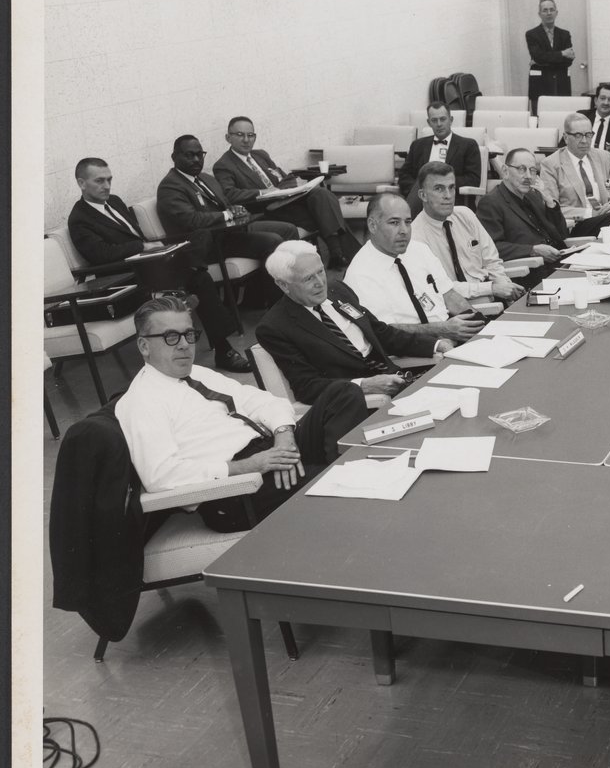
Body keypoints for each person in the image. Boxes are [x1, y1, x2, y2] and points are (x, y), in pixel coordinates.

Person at [115, 296, 369, 531]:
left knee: (344, 393)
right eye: (171, 337)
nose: (184, 345)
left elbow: (263, 401)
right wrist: (251, 466)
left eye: (189, 334)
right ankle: (345, 481)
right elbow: (161, 476)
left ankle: (341, 474)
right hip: (234, 491)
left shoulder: (199, 374)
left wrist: (284, 439)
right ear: (144, 346)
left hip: (270, 451)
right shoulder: (142, 402)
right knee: (341, 480)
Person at [68, 158, 251, 373]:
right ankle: (221, 347)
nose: (107, 186)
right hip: (127, 277)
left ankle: (187, 280)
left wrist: (157, 249)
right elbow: (101, 255)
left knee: (200, 240)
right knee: (198, 277)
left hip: (152, 265)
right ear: (81, 183)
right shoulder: (79, 218)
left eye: (109, 180)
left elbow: (137, 236)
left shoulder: (115, 202)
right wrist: (141, 247)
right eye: (99, 181)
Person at [256, 240, 440, 406]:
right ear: (283, 285)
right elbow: (307, 387)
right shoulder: (275, 327)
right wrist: (365, 385)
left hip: (400, 381)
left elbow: (381, 333)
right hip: (357, 404)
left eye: (320, 272)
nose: (320, 283)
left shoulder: (338, 291)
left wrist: (436, 345)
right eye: (308, 278)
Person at [156, 135, 297, 303]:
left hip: (230, 233)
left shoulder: (206, 178)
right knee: (272, 241)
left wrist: (235, 209)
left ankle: (269, 295)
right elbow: (191, 220)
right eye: (189, 155)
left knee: (287, 229)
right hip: (206, 245)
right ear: (174, 157)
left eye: (199, 154)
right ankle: (276, 303)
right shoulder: (170, 186)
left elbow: (226, 204)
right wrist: (227, 214)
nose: (196, 160)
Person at [212, 116, 361, 269]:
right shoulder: (223, 165)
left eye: (250, 135)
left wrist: (287, 189)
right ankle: (347, 256)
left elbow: (284, 177)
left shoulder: (260, 155)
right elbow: (230, 195)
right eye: (239, 135)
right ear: (228, 138)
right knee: (322, 212)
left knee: (321, 194)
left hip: (286, 201)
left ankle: (339, 255)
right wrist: (263, 192)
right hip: (266, 210)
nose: (246, 140)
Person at [343, 192, 486, 344]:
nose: (404, 230)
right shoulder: (361, 274)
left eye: (408, 222)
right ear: (372, 225)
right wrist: (442, 330)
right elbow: (384, 331)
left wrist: (479, 323)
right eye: (394, 223)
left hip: (452, 335)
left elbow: (449, 295)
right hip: (415, 350)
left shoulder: (419, 249)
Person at [409, 161, 525, 305]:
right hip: (462, 308)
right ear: (423, 195)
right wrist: (491, 288)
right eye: (439, 189)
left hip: (495, 297)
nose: (448, 195)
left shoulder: (466, 215)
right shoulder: (415, 237)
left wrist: (505, 286)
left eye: (451, 188)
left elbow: (492, 261)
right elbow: (441, 288)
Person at [477, 148, 571, 270]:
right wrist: (533, 250)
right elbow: (491, 248)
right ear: (505, 171)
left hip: (560, 263)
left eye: (532, 170)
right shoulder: (491, 202)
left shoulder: (534, 196)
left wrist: (550, 203)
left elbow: (561, 234)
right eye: (521, 169)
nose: (528, 176)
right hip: (531, 270)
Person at [537, 113, 610, 235]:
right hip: (576, 224)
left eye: (588, 135)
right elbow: (552, 208)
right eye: (578, 135)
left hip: (607, 216)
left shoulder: (603, 157)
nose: (584, 141)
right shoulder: (550, 164)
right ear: (565, 137)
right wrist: (590, 213)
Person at [398, 101, 482, 207]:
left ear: (451, 120)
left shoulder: (468, 145)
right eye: (434, 120)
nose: (439, 124)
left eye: (443, 119)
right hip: (422, 199)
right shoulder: (418, 145)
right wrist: (422, 189)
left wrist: (440, 183)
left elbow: (473, 179)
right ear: (429, 122)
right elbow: (404, 175)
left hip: (452, 199)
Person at [525, 0, 573, 114]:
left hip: (561, 85)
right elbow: (538, 56)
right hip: (540, 86)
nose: (549, 13)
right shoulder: (531, 34)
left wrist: (542, 60)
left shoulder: (565, 34)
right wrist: (562, 54)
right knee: (540, 119)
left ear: (556, 12)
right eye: (545, 10)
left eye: (552, 9)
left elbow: (568, 61)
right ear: (539, 14)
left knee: (562, 118)